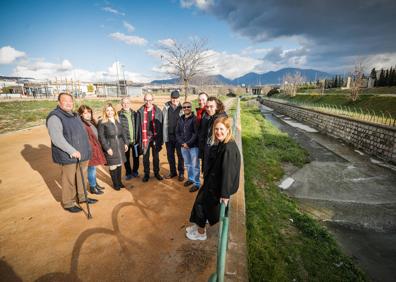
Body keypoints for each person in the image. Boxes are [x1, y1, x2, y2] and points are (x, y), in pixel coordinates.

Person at [186, 117, 241, 240]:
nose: (218, 132)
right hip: (212, 181)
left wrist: (225, 195)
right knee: (198, 200)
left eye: (221, 129)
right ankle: (198, 225)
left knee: (201, 204)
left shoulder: (229, 149)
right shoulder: (223, 143)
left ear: (228, 130)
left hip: (219, 187)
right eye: (216, 129)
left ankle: (201, 233)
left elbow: (228, 173)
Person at [46, 92, 97, 213]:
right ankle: (68, 203)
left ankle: (82, 197)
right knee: (68, 179)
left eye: (70, 101)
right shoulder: (55, 117)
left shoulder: (74, 115)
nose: (69, 103)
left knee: (81, 177)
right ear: (59, 102)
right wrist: (71, 151)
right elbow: (56, 138)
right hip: (69, 155)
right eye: (65, 101)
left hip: (82, 154)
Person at [98, 103, 128, 190]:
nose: (110, 112)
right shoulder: (102, 122)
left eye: (111, 110)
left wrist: (126, 143)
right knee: (113, 165)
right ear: (105, 112)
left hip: (120, 145)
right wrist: (107, 148)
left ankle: (119, 182)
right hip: (111, 146)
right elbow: (101, 137)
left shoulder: (118, 120)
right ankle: (115, 184)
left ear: (114, 111)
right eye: (107, 110)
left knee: (119, 164)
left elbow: (123, 133)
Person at [78, 105, 106, 195]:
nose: (87, 115)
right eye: (85, 113)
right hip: (90, 150)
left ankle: (95, 184)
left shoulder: (90, 122)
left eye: (89, 112)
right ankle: (93, 187)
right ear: (81, 115)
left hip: (95, 148)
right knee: (91, 169)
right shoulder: (82, 124)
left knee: (93, 168)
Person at [136, 93, 164, 182]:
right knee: (145, 156)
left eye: (150, 100)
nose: (148, 102)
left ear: (153, 100)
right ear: (144, 100)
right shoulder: (140, 111)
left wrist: (161, 139)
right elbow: (137, 126)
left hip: (155, 136)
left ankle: (156, 173)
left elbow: (162, 125)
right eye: (146, 100)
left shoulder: (158, 111)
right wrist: (138, 139)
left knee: (156, 156)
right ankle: (146, 174)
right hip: (145, 137)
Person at [198, 97, 227, 175]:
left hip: (214, 156)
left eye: (211, 106)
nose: (209, 109)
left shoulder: (220, 119)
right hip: (208, 153)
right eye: (207, 107)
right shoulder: (211, 117)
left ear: (217, 106)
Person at [176, 101, 200, 192]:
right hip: (183, 146)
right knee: (188, 164)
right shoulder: (180, 119)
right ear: (182, 109)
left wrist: (188, 144)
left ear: (191, 108)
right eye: (184, 107)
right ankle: (191, 179)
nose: (186, 108)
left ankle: (197, 183)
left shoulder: (194, 119)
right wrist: (182, 143)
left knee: (195, 165)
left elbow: (195, 133)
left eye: (188, 107)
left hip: (193, 146)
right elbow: (177, 132)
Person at [163, 90, 184, 181]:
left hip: (179, 137)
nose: (174, 100)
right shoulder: (166, 107)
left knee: (180, 155)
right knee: (170, 155)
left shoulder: (183, 108)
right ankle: (173, 172)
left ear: (179, 98)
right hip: (169, 136)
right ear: (170, 98)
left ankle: (181, 173)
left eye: (176, 98)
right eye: (173, 98)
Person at [118, 97, 139, 180]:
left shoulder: (135, 114)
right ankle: (128, 172)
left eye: (127, 103)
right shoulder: (118, 115)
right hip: (125, 141)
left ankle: (135, 171)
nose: (126, 104)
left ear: (130, 103)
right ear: (121, 104)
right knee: (126, 157)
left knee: (136, 156)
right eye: (124, 103)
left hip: (135, 140)